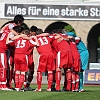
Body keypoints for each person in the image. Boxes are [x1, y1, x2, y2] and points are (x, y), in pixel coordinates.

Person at [6, 26, 38, 91]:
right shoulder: (28, 40)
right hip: (24, 56)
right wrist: (34, 38)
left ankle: (17, 86)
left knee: (17, 71)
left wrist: (9, 36)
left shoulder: (17, 39)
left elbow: (7, 42)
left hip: (16, 55)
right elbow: (37, 44)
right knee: (23, 72)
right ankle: (20, 87)